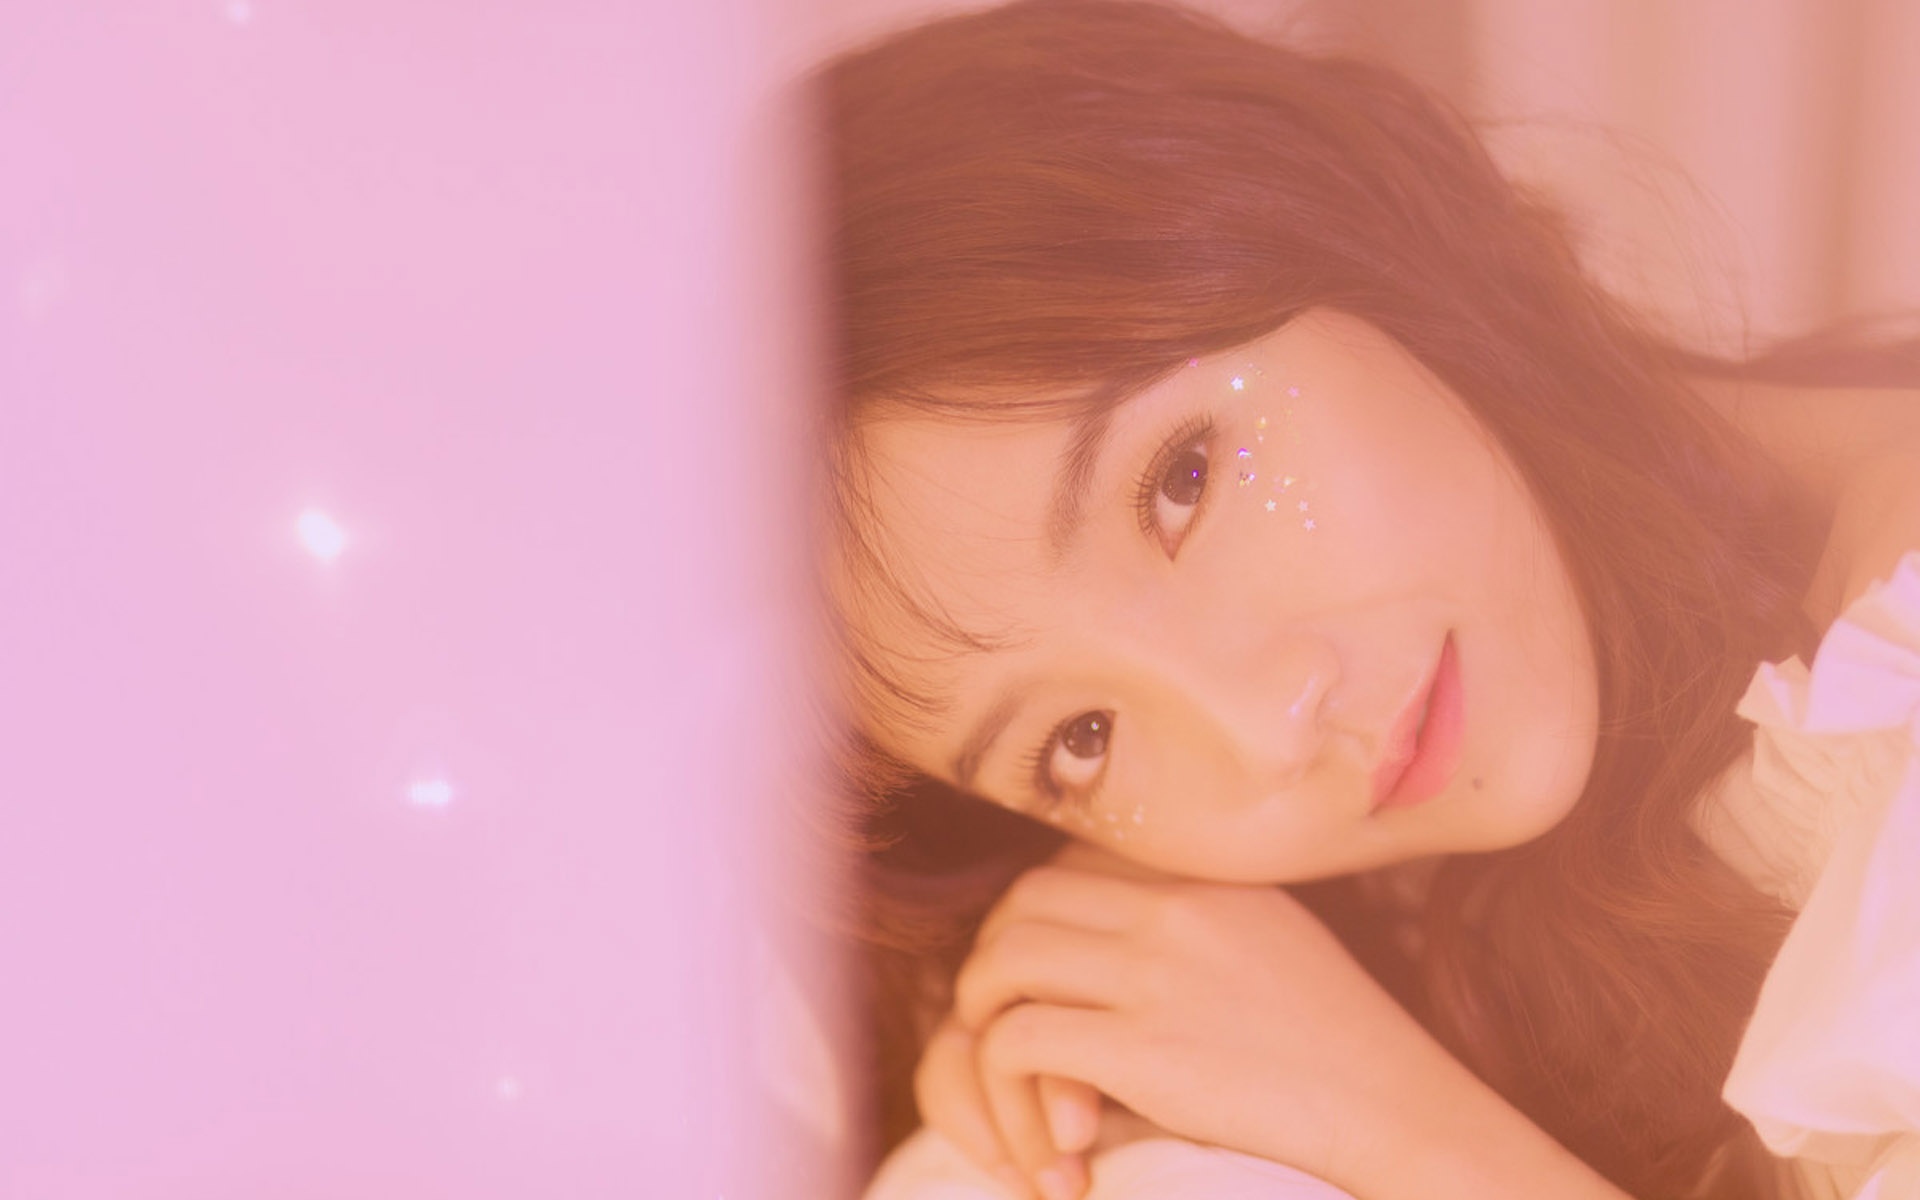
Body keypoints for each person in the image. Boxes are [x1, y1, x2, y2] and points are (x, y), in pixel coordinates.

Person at [810, 2, 1920, 1198]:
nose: (1264, 729)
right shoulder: (1476, 890)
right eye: (1081, 738)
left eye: (1182, 483)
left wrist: (1398, 1129)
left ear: (1315, 213)